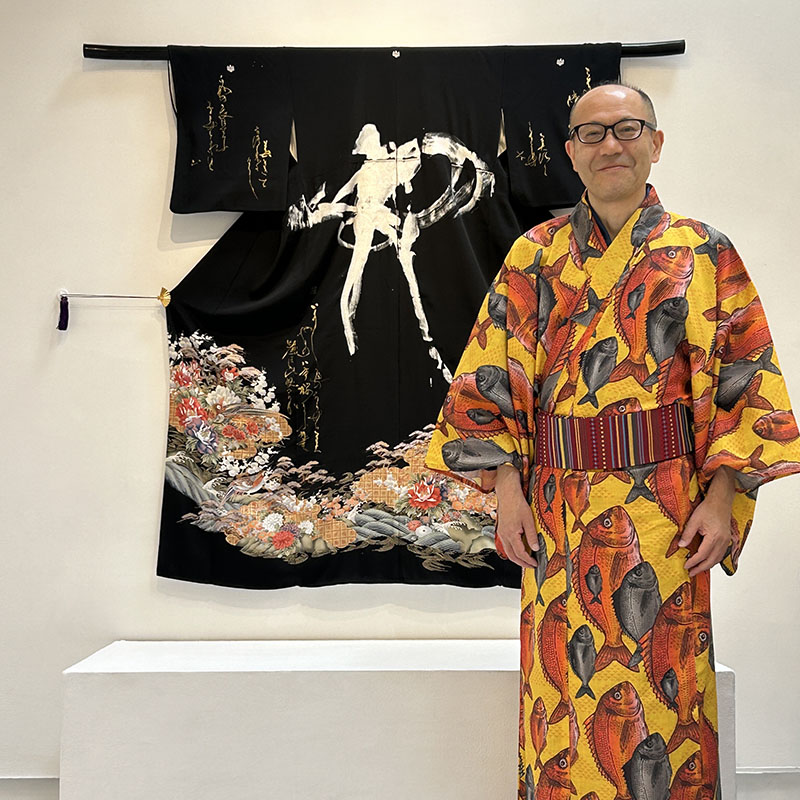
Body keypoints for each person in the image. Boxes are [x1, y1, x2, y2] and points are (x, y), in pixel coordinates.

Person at [425, 82, 800, 799]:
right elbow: (492, 376)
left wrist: (722, 498)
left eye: (628, 129)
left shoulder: (704, 252)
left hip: (666, 510)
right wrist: (507, 491)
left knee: (665, 688)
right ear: (571, 153)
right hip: (558, 511)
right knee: (562, 695)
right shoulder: (534, 255)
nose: (611, 145)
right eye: (592, 133)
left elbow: (745, 377)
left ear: (656, 143)